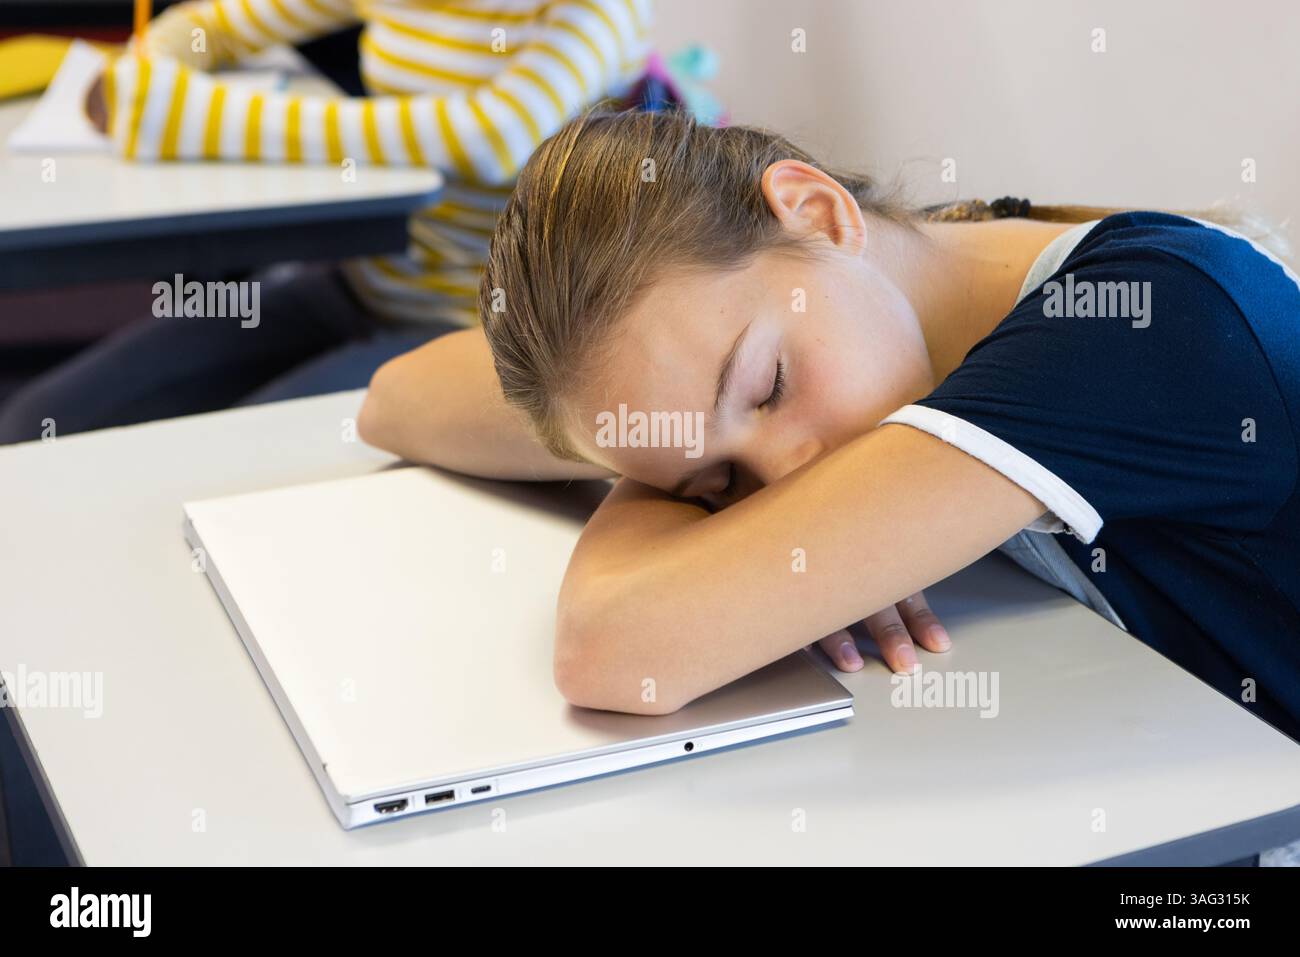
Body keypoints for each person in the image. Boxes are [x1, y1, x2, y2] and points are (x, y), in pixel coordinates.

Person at [358, 108, 1300, 742]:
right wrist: (668, 459)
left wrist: (688, 499)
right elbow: (396, 398)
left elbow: (613, 647)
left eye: (766, 388)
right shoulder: (894, 272)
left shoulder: (1140, 326)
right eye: (721, 485)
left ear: (815, 210)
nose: (785, 479)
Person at [0, 0, 654, 443]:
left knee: (221, 462)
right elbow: (216, 23)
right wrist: (152, 66)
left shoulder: (601, 10)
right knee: (37, 421)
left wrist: (200, 119)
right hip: (360, 285)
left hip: (480, 331)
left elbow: (493, 134)